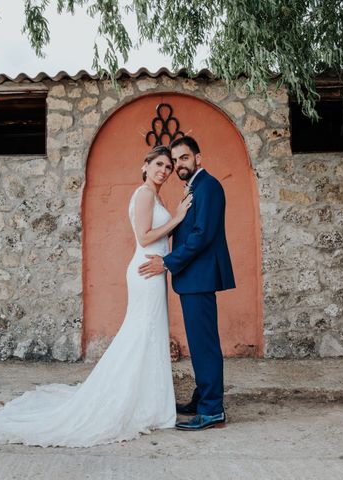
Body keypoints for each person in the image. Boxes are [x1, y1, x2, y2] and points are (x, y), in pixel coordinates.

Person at [0, 145, 192, 447]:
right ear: (145, 166)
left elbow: (158, 234)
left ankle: (150, 403)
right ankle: (136, 403)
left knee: (150, 335)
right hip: (146, 271)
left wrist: (174, 220)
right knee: (141, 334)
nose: (164, 171)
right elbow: (145, 236)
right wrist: (179, 216)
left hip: (155, 270)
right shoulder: (145, 194)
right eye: (159, 164)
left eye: (168, 168)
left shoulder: (154, 195)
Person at [139, 136, 235, 431]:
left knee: (204, 343)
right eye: (175, 160)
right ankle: (202, 397)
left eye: (183, 158)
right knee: (199, 341)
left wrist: (167, 262)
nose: (179, 164)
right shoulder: (195, 187)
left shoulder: (209, 186)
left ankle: (211, 410)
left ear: (198, 158)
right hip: (193, 276)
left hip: (200, 276)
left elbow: (202, 235)